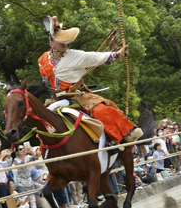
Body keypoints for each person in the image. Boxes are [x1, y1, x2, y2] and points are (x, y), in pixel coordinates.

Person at [37, 15, 143, 145]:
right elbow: (44, 79)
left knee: (101, 110)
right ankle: (45, 151)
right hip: (57, 98)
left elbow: (93, 57)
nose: (65, 44)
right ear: (51, 44)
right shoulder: (42, 59)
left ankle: (124, 135)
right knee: (41, 119)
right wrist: (53, 90)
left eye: (66, 42)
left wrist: (116, 54)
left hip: (76, 95)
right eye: (61, 42)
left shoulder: (74, 55)